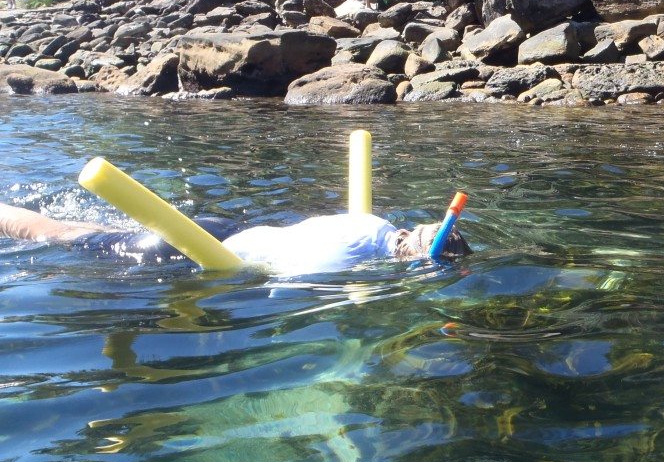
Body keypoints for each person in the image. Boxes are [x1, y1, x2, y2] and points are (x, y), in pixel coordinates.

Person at [0, 202, 471, 275]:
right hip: (202, 250)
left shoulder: (375, 224)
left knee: (91, 230)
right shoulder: (346, 264)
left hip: (225, 231)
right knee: (65, 237)